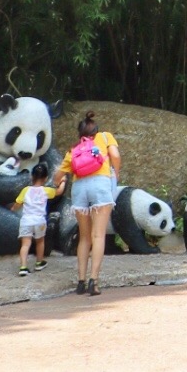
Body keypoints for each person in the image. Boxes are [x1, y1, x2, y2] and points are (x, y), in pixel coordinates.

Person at [67, 111, 121, 296]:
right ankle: (94, 281)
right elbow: (115, 155)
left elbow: (61, 171)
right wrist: (116, 171)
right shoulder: (106, 137)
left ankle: (80, 282)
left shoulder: (75, 147)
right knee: (98, 235)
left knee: (84, 237)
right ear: (96, 129)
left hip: (79, 187)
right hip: (100, 184)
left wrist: (57, 181)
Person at [13, 164, 57, 277]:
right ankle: (39, 262)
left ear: (31, 176)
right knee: (40, 241)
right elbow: (58, 192)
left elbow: (17, 204)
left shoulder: (25, 190)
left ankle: (23, 267)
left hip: (26, 220)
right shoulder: (46, 190)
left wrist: (13, 209)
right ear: (46, 178)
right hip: (39, 220)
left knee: (25, 244)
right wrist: (62, 183)